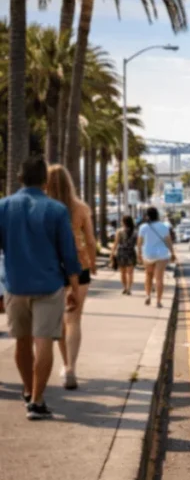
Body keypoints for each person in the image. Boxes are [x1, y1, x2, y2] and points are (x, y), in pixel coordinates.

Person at [0, 158, 81, 420]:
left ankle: (26, 390)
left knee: (21, 342)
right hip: (49, 285)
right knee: (43, 341)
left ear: (19, 177)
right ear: (45, 181)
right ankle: (37, 400)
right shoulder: (56, 209)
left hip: (15, 285)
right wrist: (75, 286)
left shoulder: (3, 207)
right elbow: (68, 253)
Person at [46, 164, 97, 391]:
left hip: (51, 268)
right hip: (79, 267)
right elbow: (91, 241)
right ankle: (70, 368)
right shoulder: (81, 208)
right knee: (74, 319)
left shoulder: (44, 208)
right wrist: (93, 264)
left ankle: (65, 363)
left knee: (60, 320)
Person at [136, 207, 175, 308]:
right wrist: (173, 253)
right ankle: (158, 301)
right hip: (161, 254)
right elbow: (169, 241)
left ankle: (148, 295)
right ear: (157, 215)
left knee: (148, 276)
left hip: (148, 254)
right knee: (159, 279)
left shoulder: (143, 227)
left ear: (147, 216)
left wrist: (139, 254)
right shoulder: (164, 226)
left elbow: (139, 242)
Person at [113, 216, 138, 295]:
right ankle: (129, 288)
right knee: (130, 273)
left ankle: (124, 288)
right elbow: (138, 244)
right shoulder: (135, 232)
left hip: (121, 253)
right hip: (131, 252)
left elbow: (115, 243)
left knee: (122, 273)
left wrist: (112, 253)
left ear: (124, 222)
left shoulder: (119, 231)